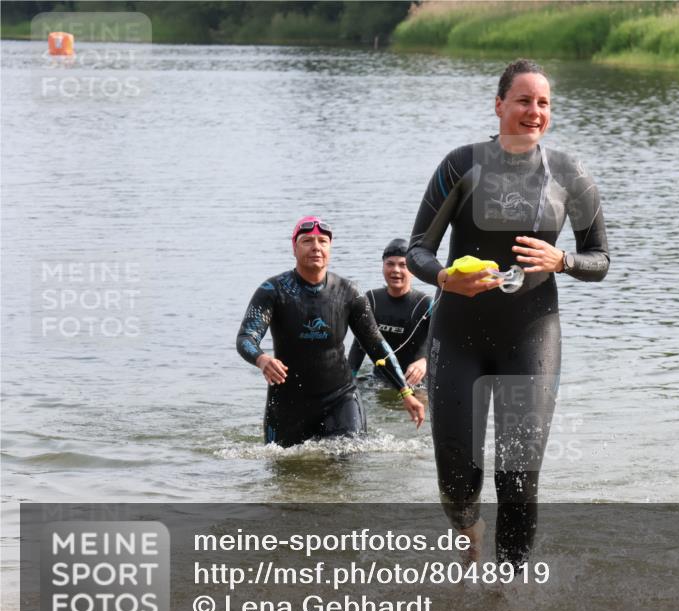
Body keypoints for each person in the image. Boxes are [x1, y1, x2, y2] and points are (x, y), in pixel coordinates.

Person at [407, 59, 610, 565]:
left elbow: (600, 259)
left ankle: (509, 593)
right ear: (499, 105)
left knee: (518, 474)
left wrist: (562, 260)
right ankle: (469, 528)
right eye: (523, 100)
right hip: (458, 332)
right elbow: (417, 250)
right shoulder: (461, 165)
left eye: (543, 103)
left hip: (531, 332)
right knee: (457, 472)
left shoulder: (571, 175)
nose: (533, 111)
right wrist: (446, 278)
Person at [238, 216, 424, 448]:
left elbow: (376, 345)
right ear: (294, 248)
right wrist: (262, 359)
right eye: (307, 241)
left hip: (340, 398)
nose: (316, 247)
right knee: (283, 471)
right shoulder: (272, 291)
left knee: (348, 467)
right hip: (288, 403)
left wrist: (405, 392)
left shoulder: (349, 292)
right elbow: (246, 337)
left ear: (330, 248)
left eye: (322, 241)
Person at [347, 238, 432, 387]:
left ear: (413, 270)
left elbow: (444, 345)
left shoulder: (425, 304)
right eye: (390, 264)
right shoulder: (371, 299)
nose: (396, 270)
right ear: (383, 266)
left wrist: (426, 362)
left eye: (403, 265)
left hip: (416, 384)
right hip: (378, 381)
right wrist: (348, 380)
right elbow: (359, 346)